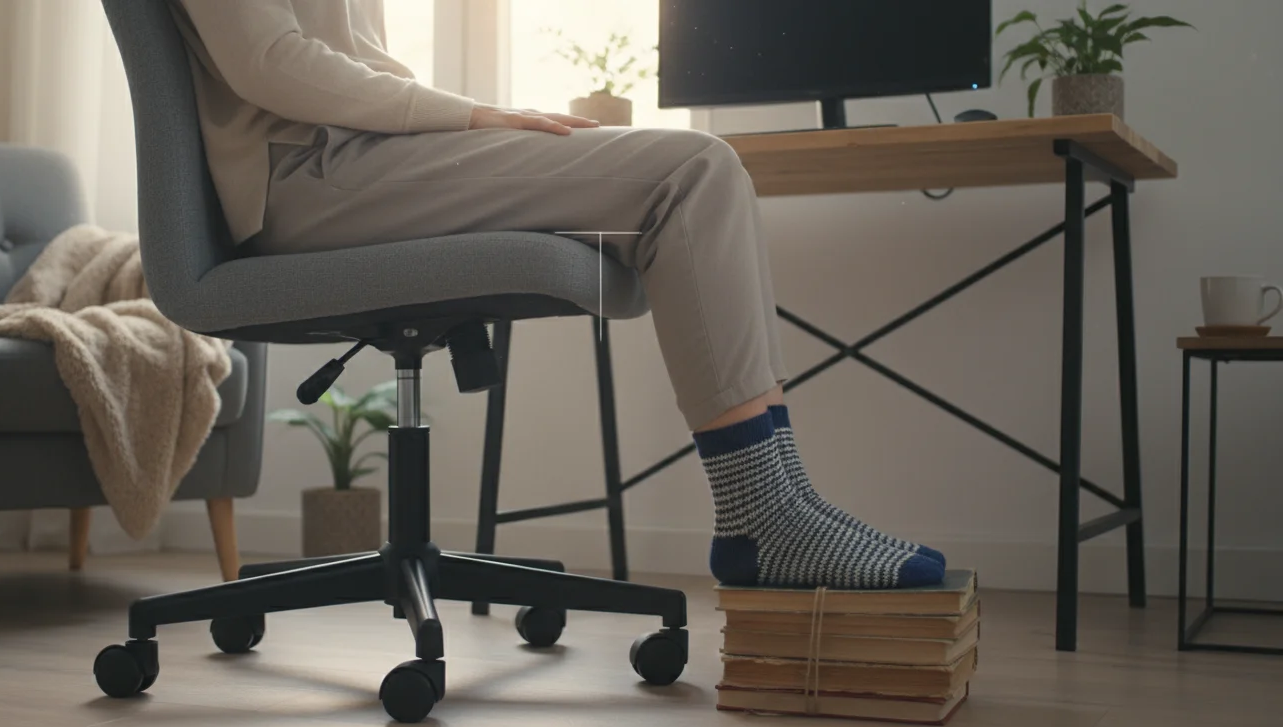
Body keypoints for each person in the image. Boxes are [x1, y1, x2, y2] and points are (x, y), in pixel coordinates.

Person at [170, 0, 945, 590]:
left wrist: (458, 125)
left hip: (353, 158)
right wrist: (466, 116)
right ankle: (765, 516)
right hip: (307, 176)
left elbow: (347, 56)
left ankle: (781, 503)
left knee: (705, 176)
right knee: (694, 171)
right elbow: (269, 63)